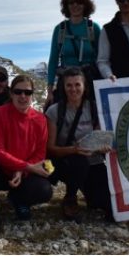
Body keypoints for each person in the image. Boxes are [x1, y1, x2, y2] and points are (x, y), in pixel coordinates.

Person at [0, 74, 53, 232]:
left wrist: (22, 170)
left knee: (44, 190)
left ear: (32, 95)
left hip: (22, 174)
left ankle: (18, 200)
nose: (23, 96)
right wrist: (25, 166)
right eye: (18, 92)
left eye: (27, 92)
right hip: (0, 172)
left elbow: (40, 152)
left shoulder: (39, 119)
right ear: (11, 93)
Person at [45, 67, 112, 222]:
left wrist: (102, 147)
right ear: (63, 87)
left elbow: (101, 137)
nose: (73, 89)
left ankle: (91, 196)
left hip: (93, 162)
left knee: (102, 202)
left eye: (77, 85)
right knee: (79, 161)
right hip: (63, 161)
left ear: (84, 86)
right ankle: (70, 197)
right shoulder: (54, 111)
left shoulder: (95, 109)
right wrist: (74, 149)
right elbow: (50, 149)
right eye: (69, 85)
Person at [46, 0, 101, 107]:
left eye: (79, 2)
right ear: (66, 5)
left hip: (90, 83)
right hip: (67, 83)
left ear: (85, 5)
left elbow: (102, 58)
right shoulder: (60, 30)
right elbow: (53, 60)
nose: (75, 5)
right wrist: (49, 91)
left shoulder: (93, 28)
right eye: (71, 2)